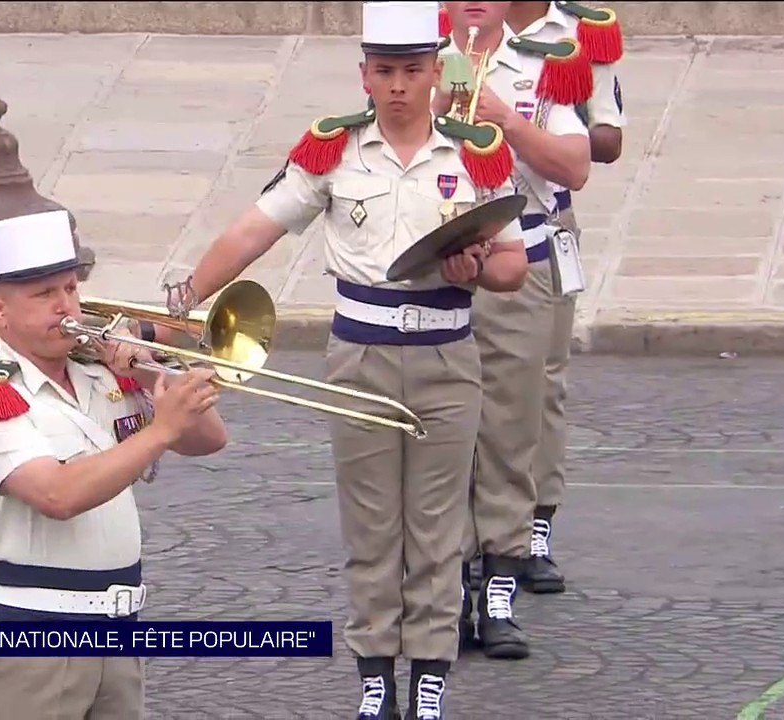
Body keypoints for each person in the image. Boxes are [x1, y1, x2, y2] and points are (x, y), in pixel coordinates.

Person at [156, 3, 529, 716]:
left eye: (412, 71)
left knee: (436, 527)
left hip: (447, 354)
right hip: (361, 352)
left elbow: (513, 266)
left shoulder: (475, 150)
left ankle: (427, 681)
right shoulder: (333, 150)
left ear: (435, 73)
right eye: (384, 71)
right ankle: (374, 677)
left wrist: (476, 266)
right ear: (363, 73)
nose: (397, 87)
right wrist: (185, 301)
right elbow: (252, 230)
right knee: (371, 527)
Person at [0, 209, 229, 719]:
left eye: (71, 288)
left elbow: (209, 440)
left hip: (118, 631)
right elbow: (58, 494)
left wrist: (147, 373)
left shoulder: (101, 376)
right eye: (44, 295)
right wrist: (160, 429)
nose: (66, 306)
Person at [436, 1, 592, 660]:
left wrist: (503, 118)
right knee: (442, 429)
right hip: (435, 264)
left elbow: (575, 166)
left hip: (518, 256)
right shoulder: (413, 62)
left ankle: (499, 580)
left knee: (510, 424)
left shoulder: (542, 65)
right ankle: (446, 582)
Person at [505, 0, 627, 595]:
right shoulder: (452, 26)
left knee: (543, 382)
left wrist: (558, 112)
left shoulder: (581, 32)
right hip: (457, 225)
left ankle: (535, 526)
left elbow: (607, 141)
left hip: (542, 226)